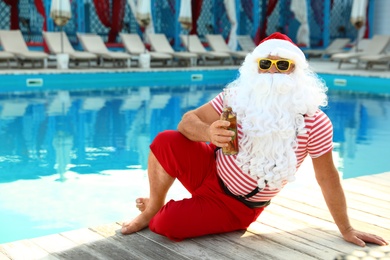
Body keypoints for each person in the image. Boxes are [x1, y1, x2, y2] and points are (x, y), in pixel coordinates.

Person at [121, 32, 388, 247]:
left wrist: (347, 228)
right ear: (255, 68)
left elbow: (328, 177)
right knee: (167, 139)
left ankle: (163, 213)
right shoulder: (236, 97)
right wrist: (208, 133)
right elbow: (187, 121)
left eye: (282, 65)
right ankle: (152, 207)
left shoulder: (314, 122)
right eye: (265, 64)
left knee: (168, 226)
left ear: (295, 72)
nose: (273, 71)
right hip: (208, 168)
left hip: (234, 205)